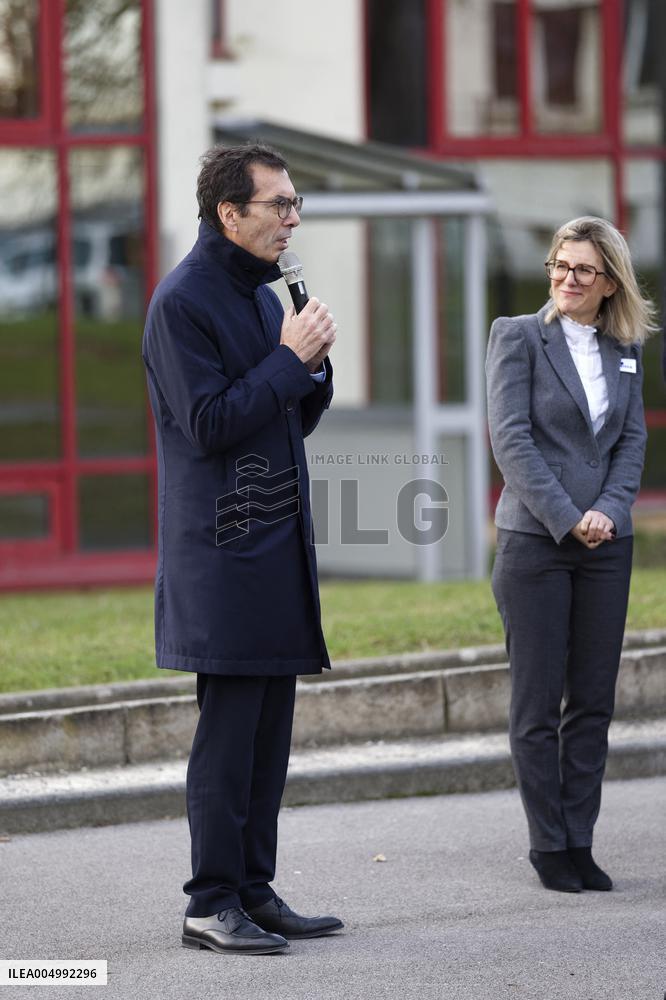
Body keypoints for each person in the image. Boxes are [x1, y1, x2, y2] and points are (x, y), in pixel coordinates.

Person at [142, 143, 343, 954]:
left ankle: (254, 891)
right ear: (230, 214)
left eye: (295, 204)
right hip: (221, 557)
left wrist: (312, 367)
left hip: (276, 546)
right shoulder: (181, 302)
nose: (293, 219)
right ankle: (208, 902)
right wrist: (291, 360)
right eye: (280, 205)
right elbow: (211, 424)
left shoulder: (267, 296)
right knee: (227, 742)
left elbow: (285, 415)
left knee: (269, 739)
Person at [486, 216, 655, 894]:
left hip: (608, 547)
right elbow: (512, 440)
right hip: (536, 544)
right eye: (560, 263)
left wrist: (609, 513)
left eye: (584, 269)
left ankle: (580, 839)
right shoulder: (518, 336)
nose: (567, 277)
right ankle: (548, 844)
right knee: (536, 705)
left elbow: (632, 443)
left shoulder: (625, 348)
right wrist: (567, 517)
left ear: (609, 280)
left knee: (592, 703)